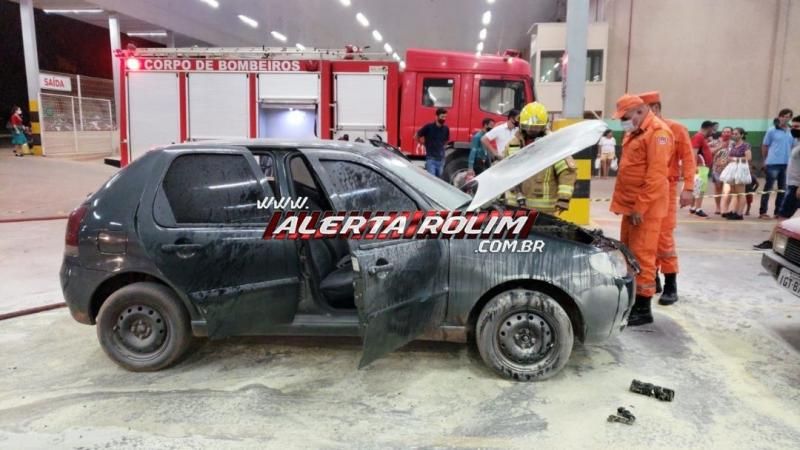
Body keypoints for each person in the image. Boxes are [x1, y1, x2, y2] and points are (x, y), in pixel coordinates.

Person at [610, 94, 671, 326]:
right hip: (632, 207)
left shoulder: (658, 134)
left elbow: (656, 176)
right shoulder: (636, 132)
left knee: (642, 256)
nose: (622, 122)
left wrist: (641, 206)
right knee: (628, 253)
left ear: (639, 110)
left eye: (625, 117)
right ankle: (633, 300)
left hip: (645, 209)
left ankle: (643, 309)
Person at [637, 91, 695, 305]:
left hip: (667, 188)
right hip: (644, 190)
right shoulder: (640, 131)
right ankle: (652, 279)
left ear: (656, 109)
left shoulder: (675, 129)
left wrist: (688, 187)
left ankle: (671, 284)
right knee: (645, 238)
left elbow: (689, 160)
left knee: (663, 238)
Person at [502, 102, 576, 213]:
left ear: (544, 126)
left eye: (536, 128)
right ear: (521, 125)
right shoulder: (513, 145)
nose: (531, 130)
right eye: (528, 127)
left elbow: (567, 172)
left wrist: (563, 199)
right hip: (514, 207)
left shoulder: (554, 146)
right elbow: (502, 171)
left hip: (543, 211)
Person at [755, 116, 800, 249]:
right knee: (783, 216)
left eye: (797, 127)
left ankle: (771, 241)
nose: (793, 129)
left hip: (796, 187)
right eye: (793, 126)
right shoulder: (797, 142)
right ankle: (772, 241)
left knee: (783, 217)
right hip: (792, 185)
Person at [759, 108, 795, 219]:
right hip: (773, 163)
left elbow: (794, 146)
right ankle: (763, 212)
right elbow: (765, 145)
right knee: (768, 188)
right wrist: (765, 160)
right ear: (779, 117)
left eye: (788, 116)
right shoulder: (771, 130)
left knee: (782, 189)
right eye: (783, 116)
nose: (786, 118)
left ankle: (778, 212)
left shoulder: (791, 131)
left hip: (786, 164)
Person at [719, 128, 753, 220]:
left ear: (741, 135)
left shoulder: (746, 145)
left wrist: (735, 159)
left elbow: (748, 158)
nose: (734, 135)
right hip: (732, 169)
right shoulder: (733, 145)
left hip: (741, 169)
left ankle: (739, 213)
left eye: (736, 133)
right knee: (734, 192)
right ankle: (734, 211)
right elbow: (729, 156)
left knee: (741, 192)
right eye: (733, 133)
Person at [414, 107, 450, 177]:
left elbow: (446, 141)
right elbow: (416, 136)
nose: (444, 119)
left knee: (439, 181)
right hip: (431, 159)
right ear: (436, 116)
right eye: (442, 117)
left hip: (441, 160)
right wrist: (423, 143)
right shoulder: (428, 127)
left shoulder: (446, 129)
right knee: (432, 179)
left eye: (445, 117)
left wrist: (442, 150)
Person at [689, 120, 715, 217]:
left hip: (702, 167)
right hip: (701, 167)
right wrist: (695, 166)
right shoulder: (698, 137)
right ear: (708, 128)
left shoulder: (701, 138)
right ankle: (698, 208)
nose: (712, 132)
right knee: (700, 188)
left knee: (697, 187)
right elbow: (694, 152)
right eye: (712, 130)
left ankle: (693, 207)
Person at [711, 127, 733, 215]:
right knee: (718, 188)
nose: (726, 133)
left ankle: (726, 208)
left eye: (728, 132)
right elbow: (710, 152)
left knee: (729, 189)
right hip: (717, 169)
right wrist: (720, 146)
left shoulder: (734, 143)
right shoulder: (715, 142)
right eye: (724, 132)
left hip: (730, 169)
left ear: (731, 133)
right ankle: (718, 207)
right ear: (722, 133)